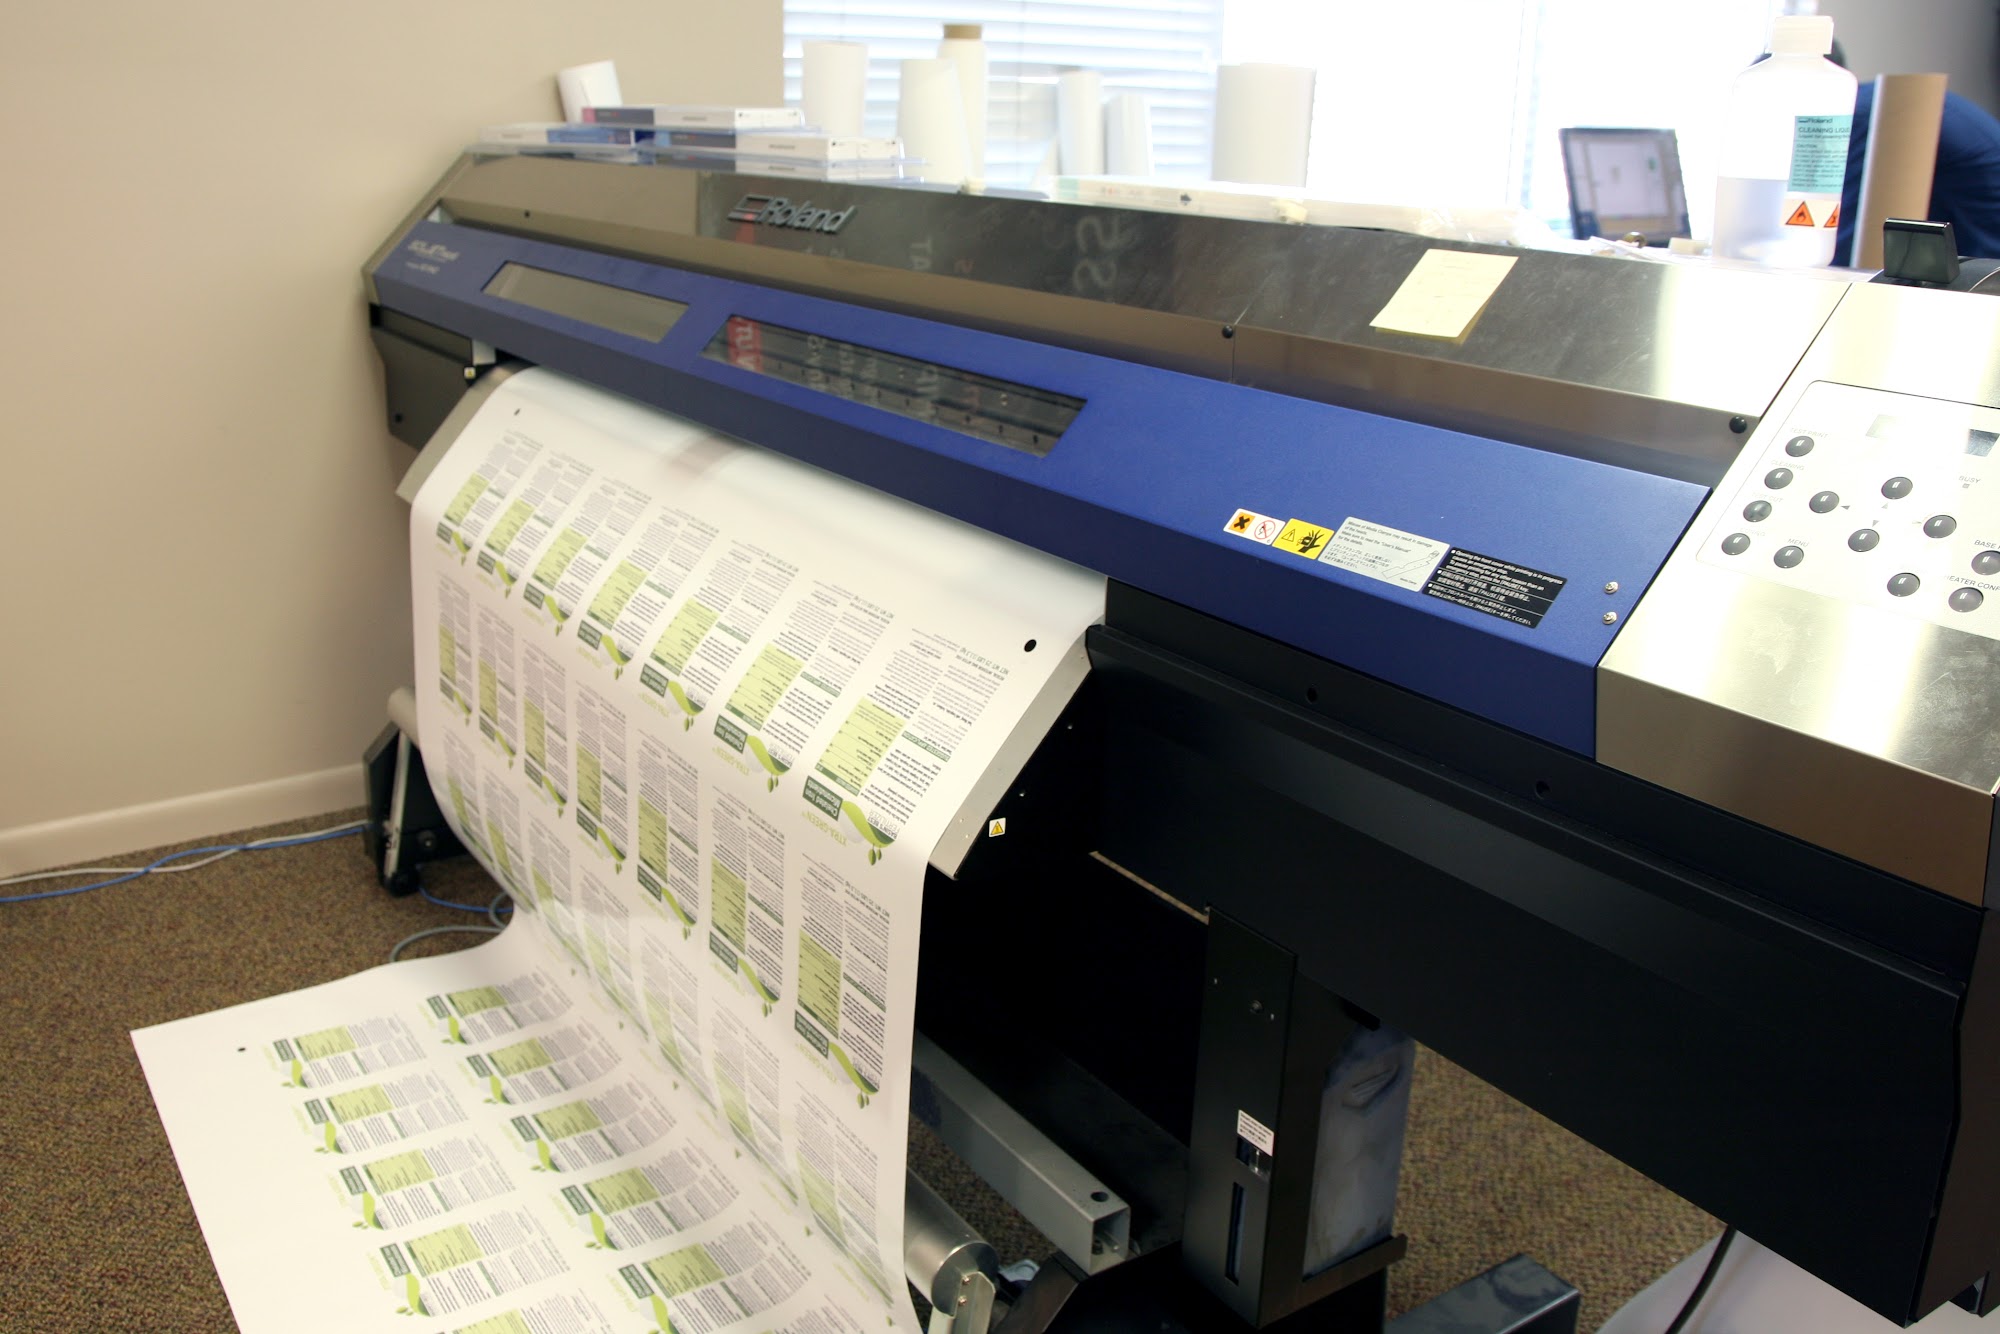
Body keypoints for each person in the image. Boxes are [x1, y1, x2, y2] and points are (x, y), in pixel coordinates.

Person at [1834, 73, 2000, 264]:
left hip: (1984, 263)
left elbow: (1855, 245)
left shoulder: (1871, 113)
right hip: (1974, 252)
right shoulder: (1881, 99)